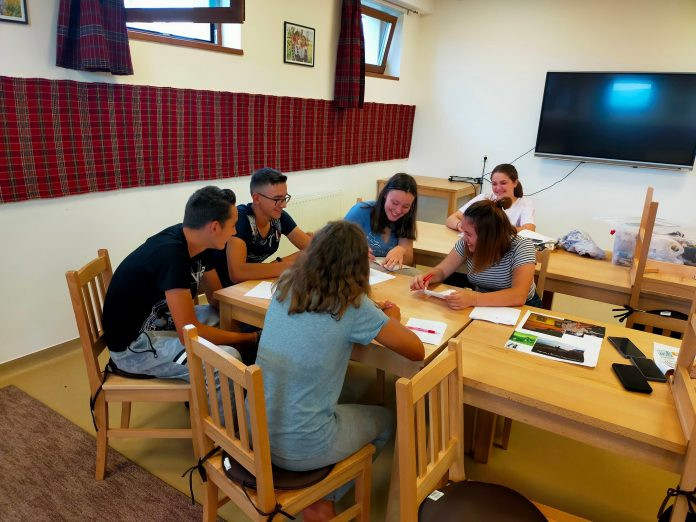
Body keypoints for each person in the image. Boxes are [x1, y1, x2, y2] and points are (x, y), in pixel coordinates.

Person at [257, 221, 424, 521]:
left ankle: (319, 490)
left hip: (255, 432)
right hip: (302, 448)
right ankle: (324, 499)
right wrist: (392, 317)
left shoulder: (286, 284)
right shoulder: (353, 305)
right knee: (387, 420)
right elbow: (415, 350)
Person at [102, 186, 258, 381]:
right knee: (227, 360)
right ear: (215, 227)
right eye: (233, 225)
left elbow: (216, 299)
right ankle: (224, 398)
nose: (234, 232)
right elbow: (188, 333)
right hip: (134, 348)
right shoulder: (172, 256)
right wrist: (249, 338)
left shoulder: (199, 242)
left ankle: (234, 384)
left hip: (163, 325)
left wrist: (245, 320)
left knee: (228, 319)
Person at [412, 198, 542, 309]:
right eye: (463, 232)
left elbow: (518, 296)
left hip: (521, 308)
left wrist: (473, 299)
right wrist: (427, 277)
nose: (464, 238)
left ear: (488, 237)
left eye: (468, 234)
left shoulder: (522, 246)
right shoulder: (466, 244)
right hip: (482, 306)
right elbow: (442, 271)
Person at [213, 167, 312, 287]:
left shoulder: (279, 217)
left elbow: (314, 249)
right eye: (277, 199)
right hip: (226, 290)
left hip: (252, 284)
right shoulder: (240, 219)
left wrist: (280, 262)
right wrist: (287, 266)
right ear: (256, 198)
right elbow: (237, 273)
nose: (284, 205)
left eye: (284, 198)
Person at [344, 172, 418, 271]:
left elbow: (408, 260)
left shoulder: (406, 218)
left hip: (385, 274)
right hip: (356, 271)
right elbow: (337, 246)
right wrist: (355, 252)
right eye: (395, 202)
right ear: (385, 194)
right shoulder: (361, 211)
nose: (398, 210)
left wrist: (402, 250)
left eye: (406, 206)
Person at [446, 163, 535, 232]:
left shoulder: (525, 204)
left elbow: (529, 230)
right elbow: (451, 219)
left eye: (503, 183)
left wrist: (496, 230)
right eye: (494, 184)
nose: (498, 188)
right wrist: (459, 225)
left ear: (515, 183)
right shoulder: (484, 198)